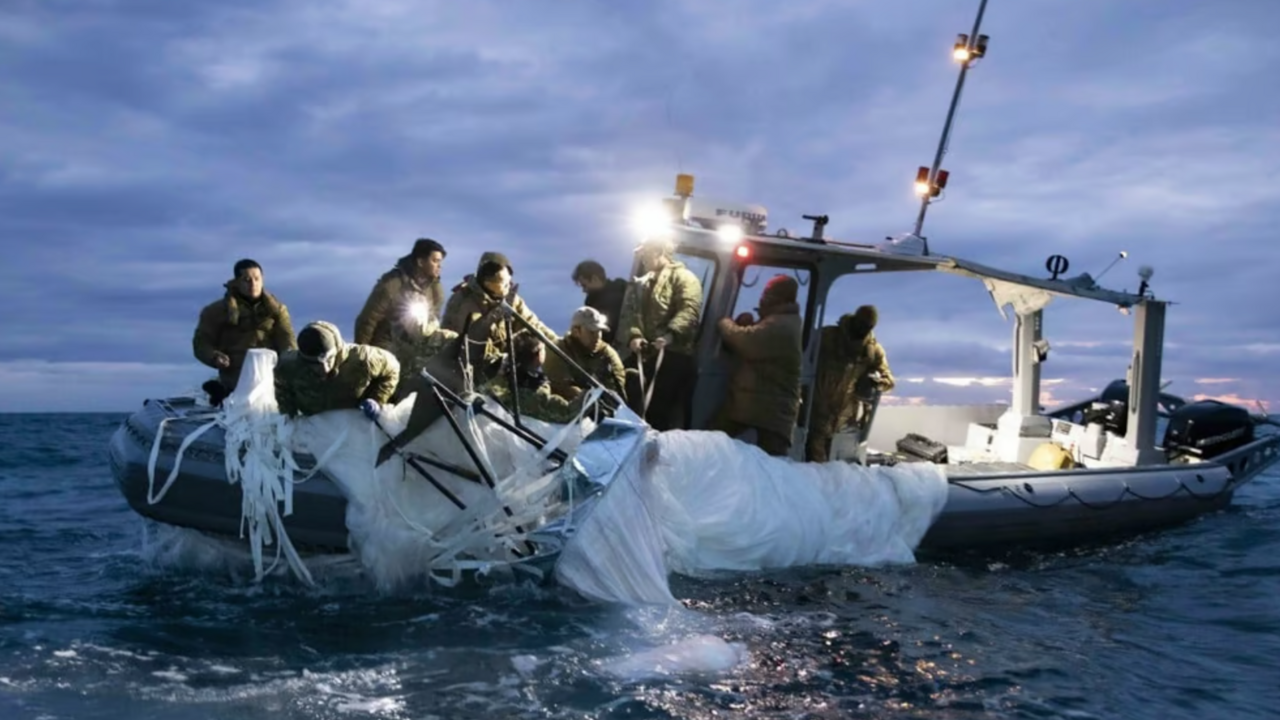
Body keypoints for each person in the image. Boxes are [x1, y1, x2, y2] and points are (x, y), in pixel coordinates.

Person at [711, 275, 803, 457]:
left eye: (768, 292)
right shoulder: (779, 321)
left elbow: (747, 342)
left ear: (779, 296)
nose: (763, 297)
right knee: (716, 437)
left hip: (771, 410)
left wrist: (725, 323)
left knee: (770, 466)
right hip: (764, 406)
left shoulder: (782, 325)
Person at [621, 237, 703, 430]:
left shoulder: (686, 279)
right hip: (646, 354)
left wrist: (670, 335)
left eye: (646, 253)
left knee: (660, 411)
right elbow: (632, 313)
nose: (642, 258)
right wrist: (634, 336)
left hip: (674, 356)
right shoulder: (642, 282)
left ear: (658, 252)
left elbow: (689, 310)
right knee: (624, 390)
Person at [193, 258, 296, 403]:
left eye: (256, 279)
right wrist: (214, 357)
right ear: (236, 282)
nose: (253, 284)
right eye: (246, 280)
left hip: (270, 375)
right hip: (236, 375)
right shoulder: (216, 311)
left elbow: (287, 339)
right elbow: (201, 343)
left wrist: (291, 360)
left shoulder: (277, 310)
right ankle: (221, 392)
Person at [441, 251, 558, 377]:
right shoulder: (462, 303)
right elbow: (470, 346)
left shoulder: (510, 299)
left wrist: (557, 343)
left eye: (510, 281)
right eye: (504, 283)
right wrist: (505, 362)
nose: (509, 286)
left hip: (504, 367)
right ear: (487, 282)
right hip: (470, 371)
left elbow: (532, 324)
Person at [806, 305, 896, 463]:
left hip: (844, 421)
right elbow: (804, 357)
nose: (863, 329)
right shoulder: (827, 337)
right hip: (814, 412)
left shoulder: (873, 350)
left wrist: (876, 382)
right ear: (854, 320)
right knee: (813, 463)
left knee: (837, 469)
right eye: (861, 324)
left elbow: (888, 379)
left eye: (868, 326)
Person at [274, 321, 400, 419]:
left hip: (356, 426)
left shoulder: (363, 360)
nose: (324, 369)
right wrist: (289, 415)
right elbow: (281, 385)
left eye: (329, 360)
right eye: (315, 365)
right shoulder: (289, 366)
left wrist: (377, 399)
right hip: (317, 430)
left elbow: (392, 368)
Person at [484, 332, 598, 425]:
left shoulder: (495, 373)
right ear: (538, 356)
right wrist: (589, 394)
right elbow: (567, 414)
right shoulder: (535, 396)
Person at [354, 238, 447, 349]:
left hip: (417, 350)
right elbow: (368, 320)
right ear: (421, 262)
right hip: (386, 347)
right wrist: (361, 353)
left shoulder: (435, 289)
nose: (439, 266)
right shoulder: (392, 285)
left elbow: (433, 321)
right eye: (435, 261)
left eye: (440, 262)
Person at [543, 306, 627, 402]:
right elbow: (559, 384)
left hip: (604, 405)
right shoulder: (558, 350)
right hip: (570, 408)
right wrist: (587, 397)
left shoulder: (607, 353)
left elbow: (618, 381)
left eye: (599, 331)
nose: (597, 337)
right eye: (591, 332)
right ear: (575, 331)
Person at [571, 260, 629, 345]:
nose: (584, 290)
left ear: (594, 279)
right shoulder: (590, 301)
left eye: (584, 285)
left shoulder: (621, 287)